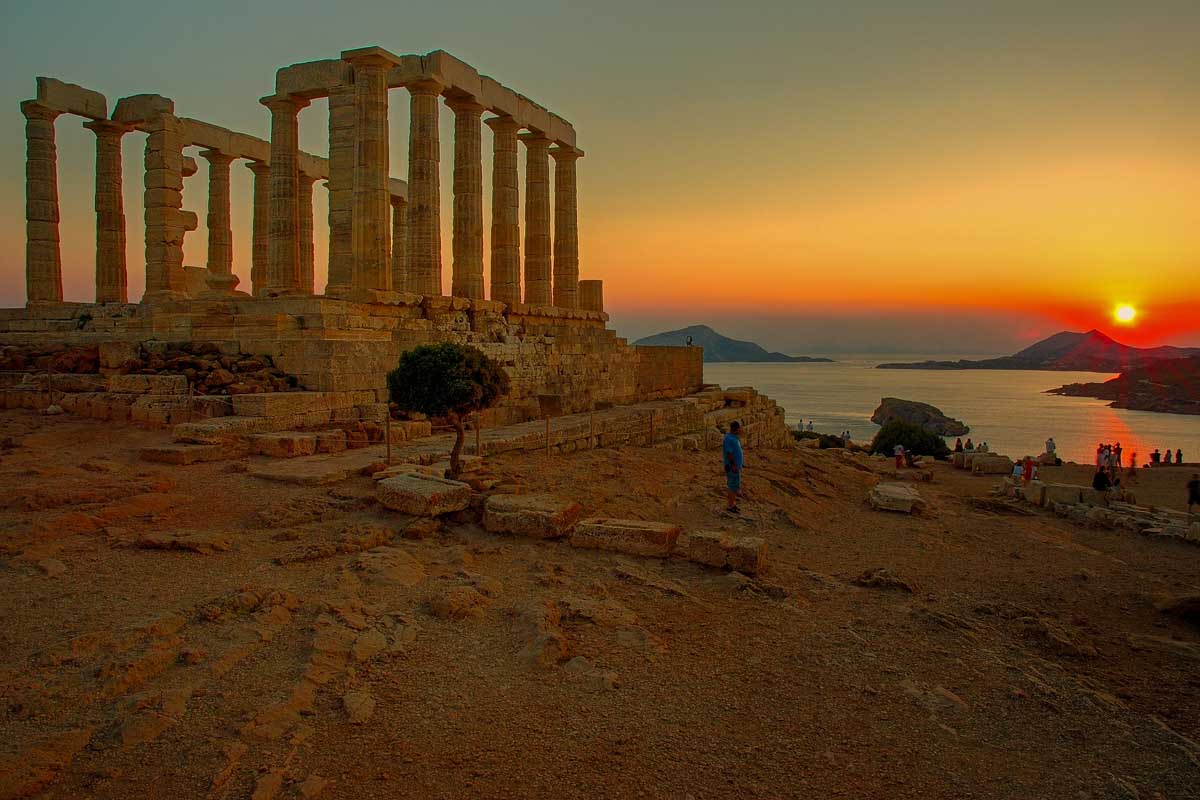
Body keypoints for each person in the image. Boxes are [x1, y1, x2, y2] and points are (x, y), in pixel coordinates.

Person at [723, 421, 744, 514]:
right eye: (739, 428)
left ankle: (733, 504)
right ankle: (730, 506)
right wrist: (734, 465)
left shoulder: (734, 438)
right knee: (732, 486)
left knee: (734, 485)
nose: (741, 430)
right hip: (732, 467)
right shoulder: (729, 439)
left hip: (735, 467)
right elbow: (729, 453)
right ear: (736, 429)